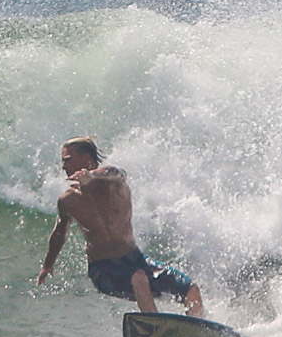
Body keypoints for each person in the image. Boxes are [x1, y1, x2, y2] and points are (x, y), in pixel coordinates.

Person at [36, 136, 204, 317]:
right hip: (103, 270)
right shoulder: (68, 201)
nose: (63, 166)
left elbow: (116, 172)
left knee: (190, 289)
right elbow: (59, 233)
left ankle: (198, 332)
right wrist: (48, 265)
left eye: (67, 160)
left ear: (86, 159)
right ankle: (155, 330)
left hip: (135, 259)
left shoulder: (114, 183)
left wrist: (92, 176)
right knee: (139, 277)